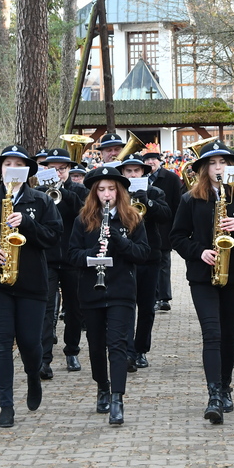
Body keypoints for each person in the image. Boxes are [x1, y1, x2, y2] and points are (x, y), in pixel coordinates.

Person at [0, 145, 63, 428]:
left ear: (28, 172)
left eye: (19, 163)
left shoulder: (42, 202)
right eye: (8, 163)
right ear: (0, 170)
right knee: (2, 343)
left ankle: (33, 375)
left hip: (31, 283)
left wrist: (28, 224)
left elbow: (54, 237)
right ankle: (5, 404)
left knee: (30, 343)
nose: (12, 168)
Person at [170, 140, 234, 424]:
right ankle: (213, 395)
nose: (218, 167)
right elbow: (176, 238)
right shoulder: (190, 200)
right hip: (203, 277)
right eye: (212, 163)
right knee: (211, 334)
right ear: (204, 169)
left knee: (228, 337)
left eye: (223, 162)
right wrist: (200, 252)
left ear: (231, 167)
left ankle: (225, 386)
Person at [67, 166, 150, 426]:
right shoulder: (83, 219)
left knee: (117, 344)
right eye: (101, 189)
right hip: (91, 291)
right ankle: (102, 386)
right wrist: (93, 253)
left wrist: (119, 241)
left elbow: (143, 253)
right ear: (94, 193)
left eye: (111, 189)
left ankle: (117, 399)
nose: (106, 194)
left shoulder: (133, 219)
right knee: (95, 345)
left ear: (120, 192)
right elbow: (72, 255)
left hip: (122, 292)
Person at [117, 153, 171, 369]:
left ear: (143, 172)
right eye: (128, 171)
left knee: (147, 307)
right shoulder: (117, 193)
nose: (132, 174)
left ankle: (141, 350)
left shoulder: (155, 191)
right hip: (124, 257)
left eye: (136, 170)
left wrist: (147, 200)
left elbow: (166, 215)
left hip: (149, 256)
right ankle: (128, 351)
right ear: (122, 173)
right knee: (126, 305)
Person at [37, 148, 85, 379]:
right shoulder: (37, 192)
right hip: (46, 258)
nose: (57, 173)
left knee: (75, 308)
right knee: (46, 309)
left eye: (62, 169)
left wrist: (62, 193)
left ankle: (71, 351)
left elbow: (84, 216)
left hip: (72, 258)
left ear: (68, 171)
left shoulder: (79, 191)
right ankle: (44, 359)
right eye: (52, 169)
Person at [142, 146, 183, 312]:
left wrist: (176, 226)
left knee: (164, 264)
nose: (151, 162)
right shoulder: (140, 179)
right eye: (148, 160)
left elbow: (177, 203)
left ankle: (164, 298)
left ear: (160, 161)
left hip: (165, 227)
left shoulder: (172, 178)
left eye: (154, 159)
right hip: (146, 228)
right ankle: (153, 296)